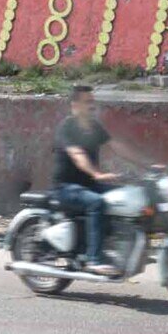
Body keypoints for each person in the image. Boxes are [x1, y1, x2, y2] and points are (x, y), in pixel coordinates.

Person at [53, 85, 146, 276]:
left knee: (123, 195)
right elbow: (77, 154)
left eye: (92, 101)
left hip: (89, 185)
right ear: (75, 105)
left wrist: (146, 164)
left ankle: (113, 247)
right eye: (87, 102)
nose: (92, 105)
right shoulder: (67, 127)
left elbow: (116, 146)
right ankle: (93, 259)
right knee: (97, 203)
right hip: (66, 187)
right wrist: (96, 174)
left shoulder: (94, 126)